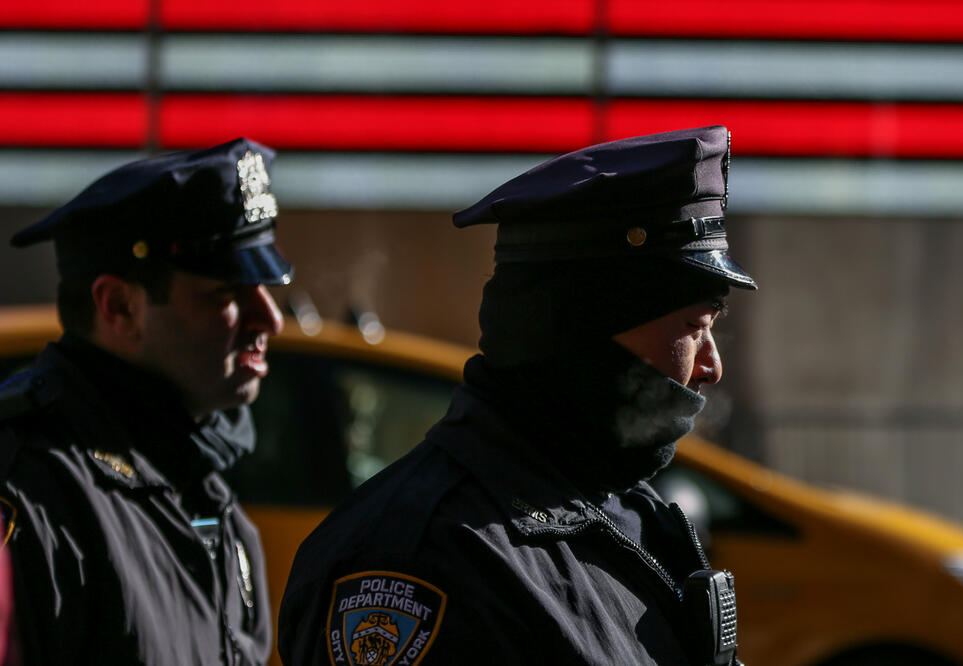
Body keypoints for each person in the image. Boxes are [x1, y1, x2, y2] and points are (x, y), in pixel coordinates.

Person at [278, 126, 754, 665]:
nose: (711, 367)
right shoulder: (419, 557)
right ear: (583, 333)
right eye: (693, 327)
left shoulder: (623, 512)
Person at [0, 138, 293, 665]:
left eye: (267, 288)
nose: (269, 320)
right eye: (226, 295)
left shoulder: (205, 491)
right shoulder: (28, 490)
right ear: (119, 307)